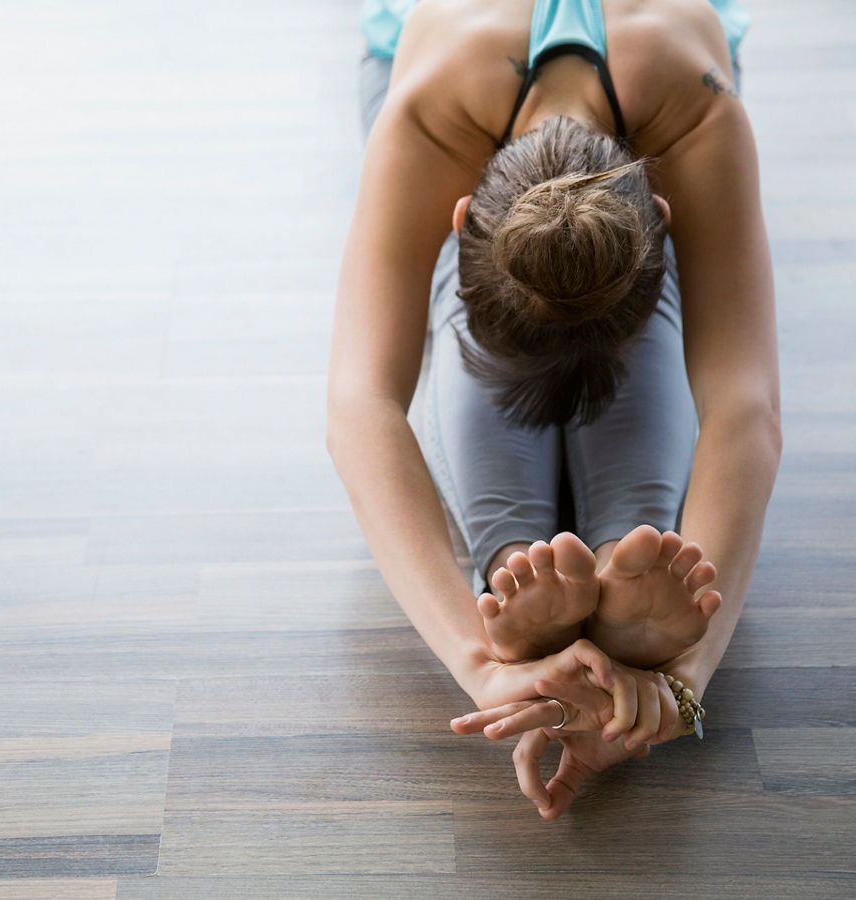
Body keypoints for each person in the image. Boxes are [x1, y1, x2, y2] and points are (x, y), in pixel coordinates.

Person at [326, 0, 781, 820]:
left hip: (653, 108)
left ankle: (546, 566)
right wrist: (484, 666)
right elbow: (362, 406)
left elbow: (743, 403)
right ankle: (591, 560)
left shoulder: (698, 102)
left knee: (595, 274)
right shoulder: (430, 106)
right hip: (461, 100)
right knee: (522, 284)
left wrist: (685, 681)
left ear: (666, 215)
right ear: (458, 213)